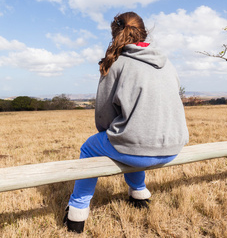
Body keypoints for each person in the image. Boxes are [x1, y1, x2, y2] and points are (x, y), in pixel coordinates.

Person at [63, 12, 189, 233]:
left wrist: (113, 133)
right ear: (144, 31)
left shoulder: (116, 63)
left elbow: (103, 115)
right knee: (132, 136)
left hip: (138, 148)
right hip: (174, 147)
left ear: (115, 33)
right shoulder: (166, 61)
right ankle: (139, 193)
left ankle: (76, 212)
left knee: (91, 147)